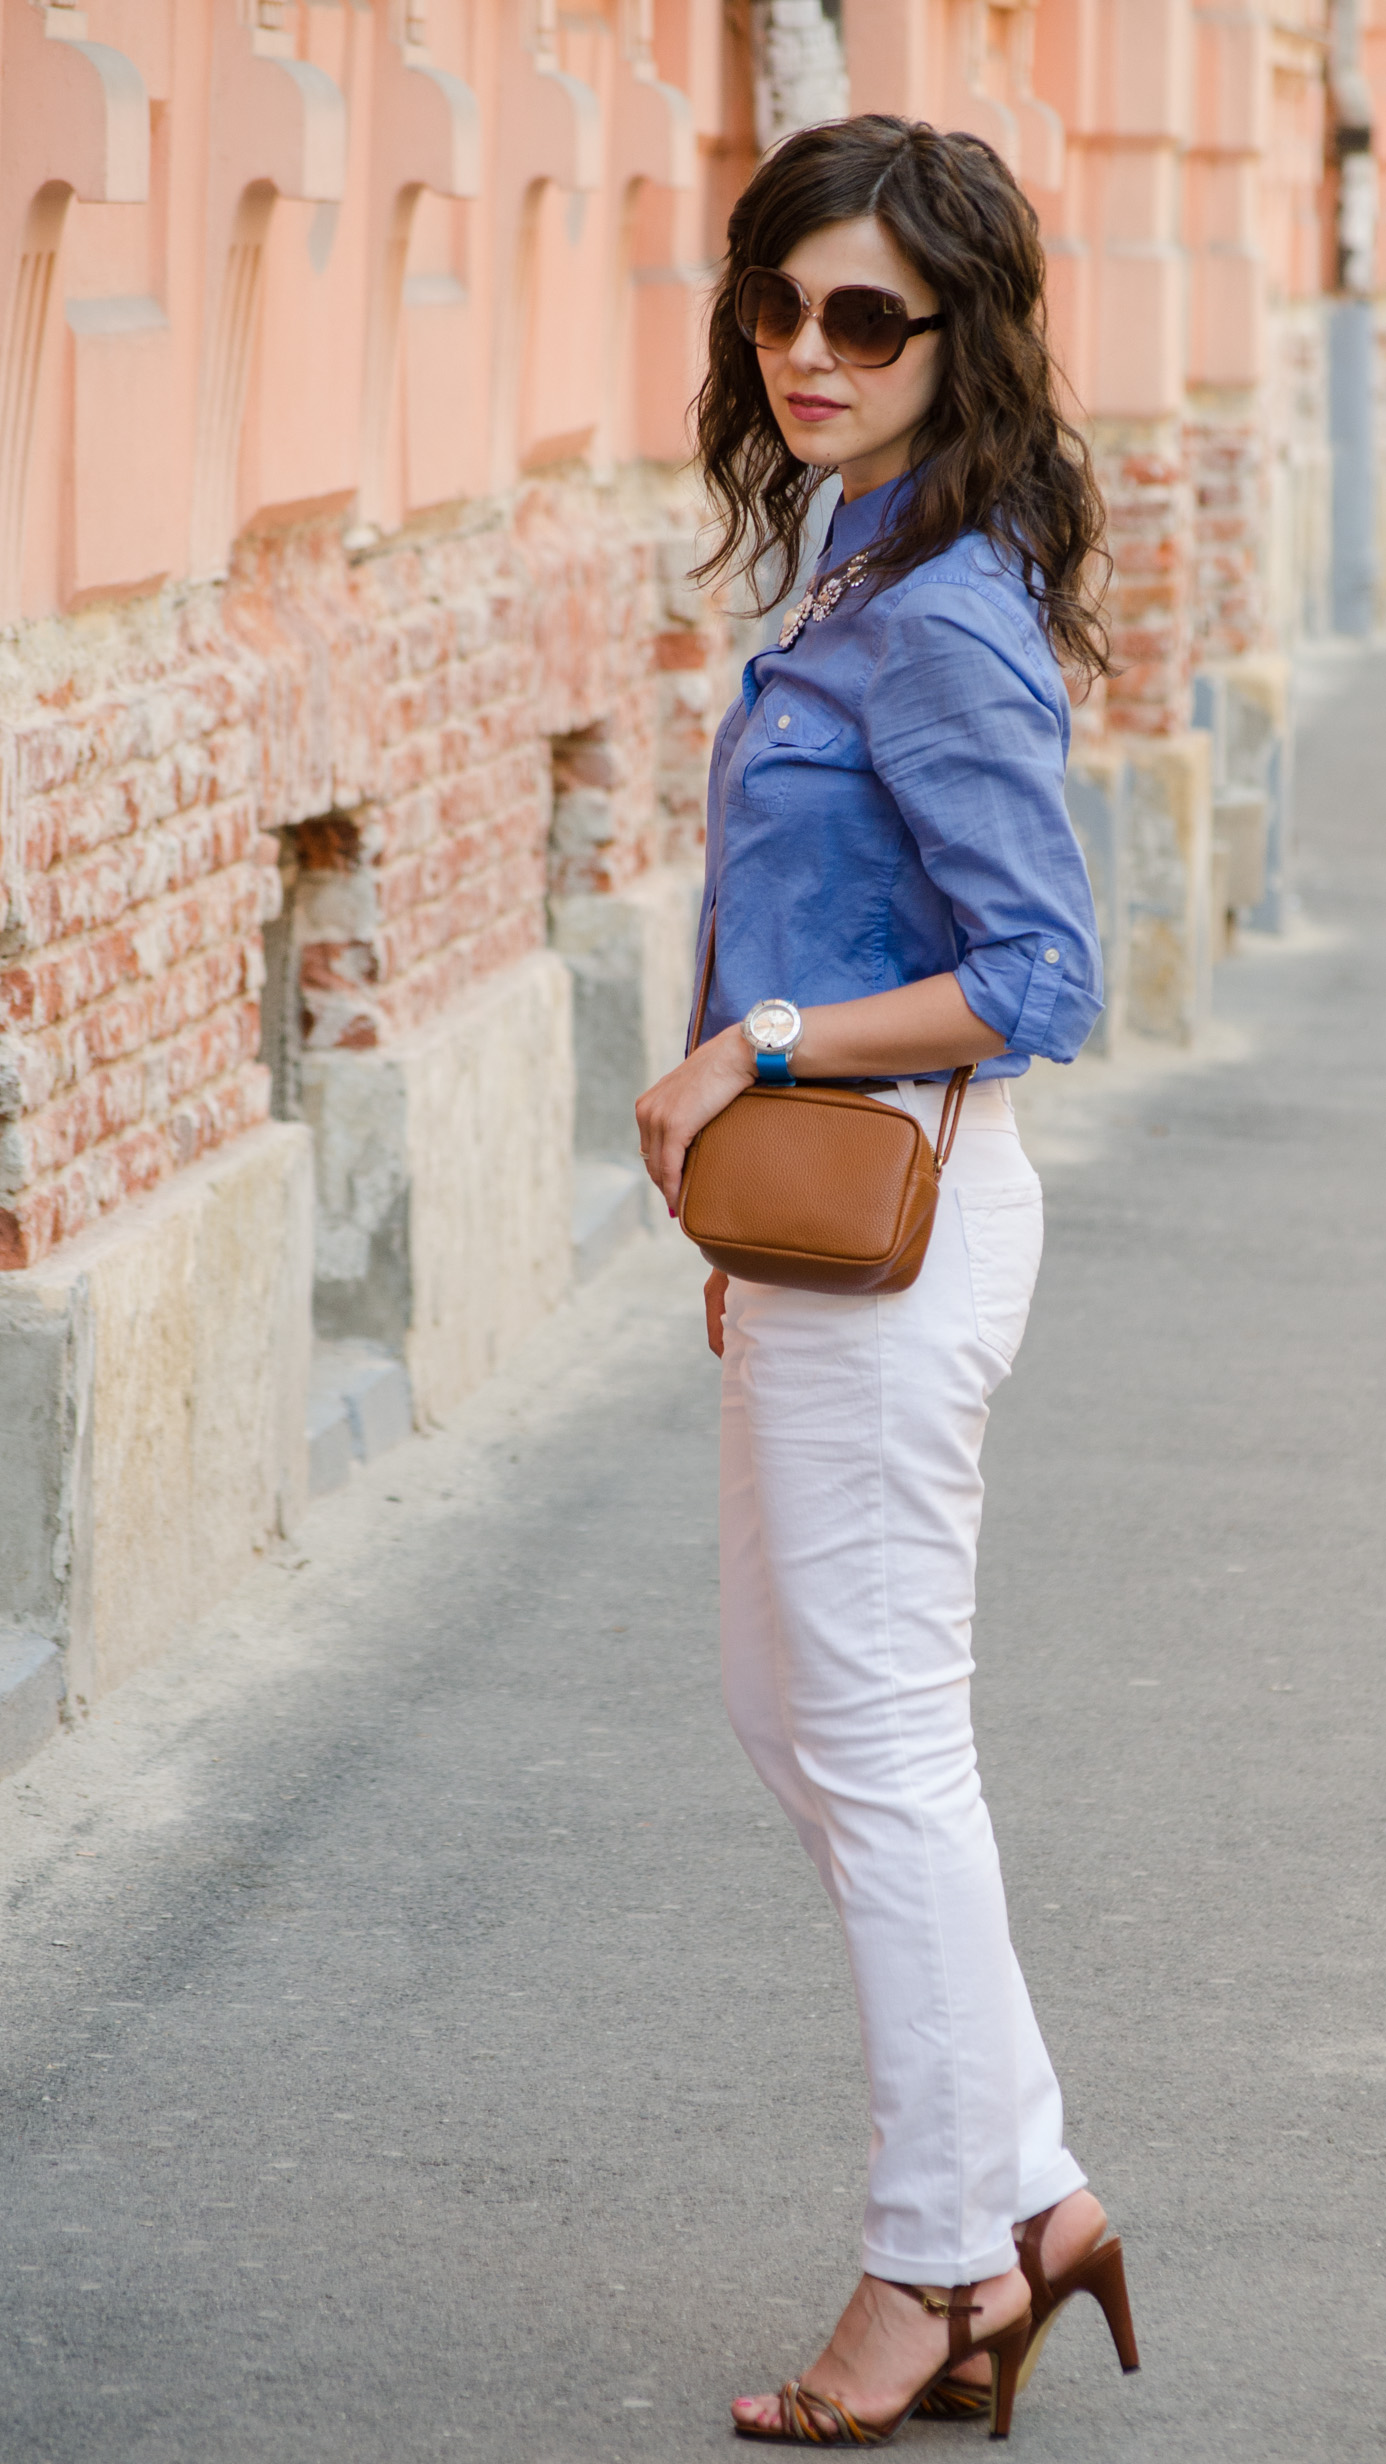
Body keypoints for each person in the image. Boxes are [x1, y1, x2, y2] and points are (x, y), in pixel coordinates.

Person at [634, 117, 1139, 2443]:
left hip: (909, 1204)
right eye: (778, 307)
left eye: (866, 317)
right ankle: (1028, 2189)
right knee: (795, 1711)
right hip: (826, 1225)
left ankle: (934, 2255)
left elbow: (1043, 970)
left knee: (885, 1746)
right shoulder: (855, 557)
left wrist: (757, 1046)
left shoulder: (935, 613)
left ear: (961, 340)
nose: (809, 353)